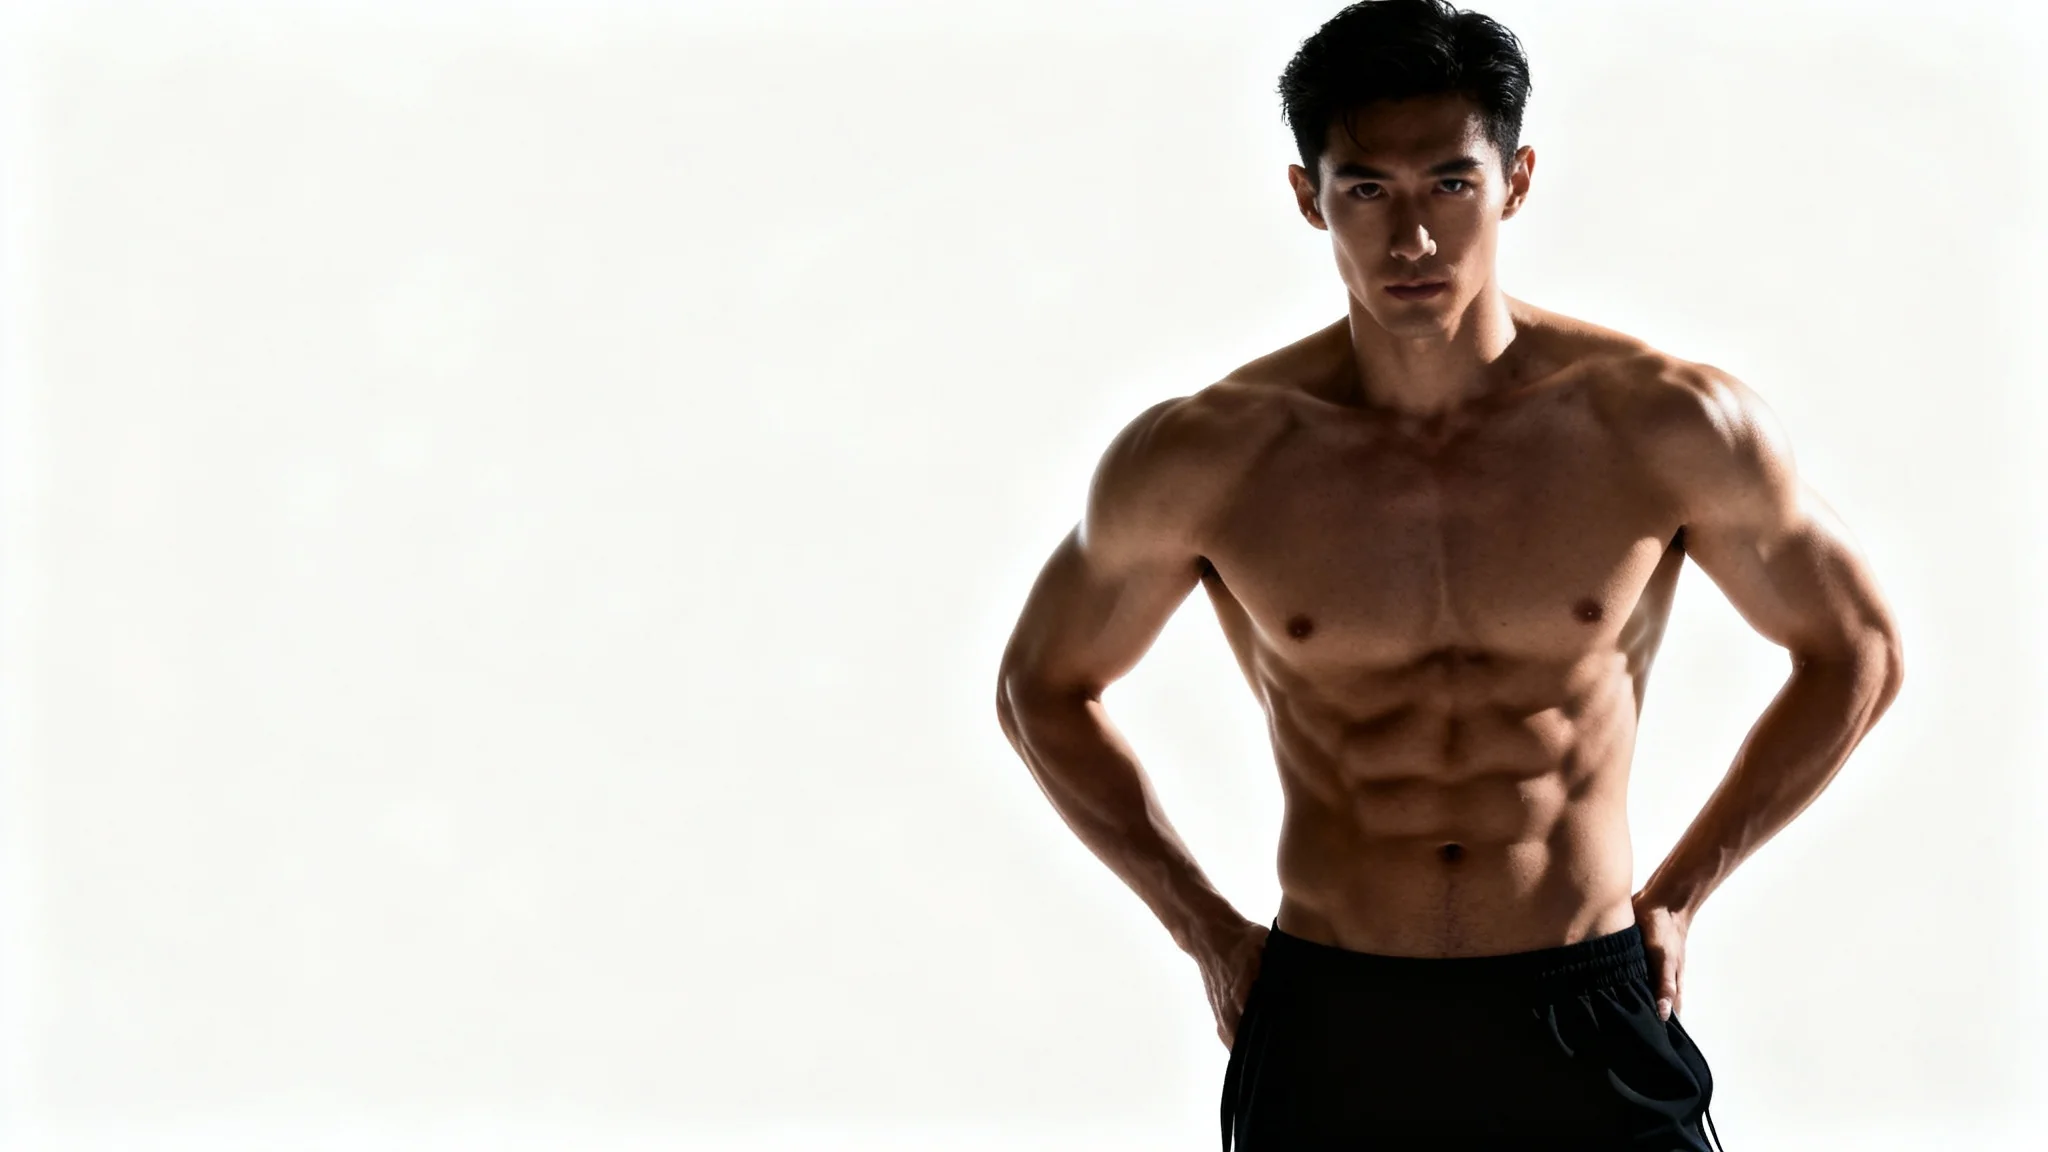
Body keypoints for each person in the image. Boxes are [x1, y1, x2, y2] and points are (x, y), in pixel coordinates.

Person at [992, 0, 1906, 1148]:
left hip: (1584, 1005)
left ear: (1514, 181)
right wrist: (1207, 932)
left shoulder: (1662, 425)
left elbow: (1853, 651)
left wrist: (1676, 894)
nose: (1410, 238)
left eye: (1448, 184)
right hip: (1333, 1017)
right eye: (1365, 189)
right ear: (1305, 197)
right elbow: (1041, 687)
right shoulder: (1210, 456)